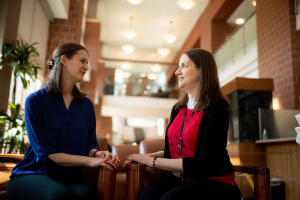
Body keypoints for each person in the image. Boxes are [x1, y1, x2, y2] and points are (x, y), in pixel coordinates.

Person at [6, 43, 120, 200]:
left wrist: (98, 154)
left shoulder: (86, 105)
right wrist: (89, 161)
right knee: (59, 195)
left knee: (89, 195)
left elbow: (90, 145)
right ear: (64, 60)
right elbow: (46, 153)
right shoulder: (35, 101)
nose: (86, 67)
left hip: (68, 177)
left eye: (87, 62)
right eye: (82, 61)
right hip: (33, 173)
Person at [124, 48, 241, 200]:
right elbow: (172, 152)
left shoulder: (217, 107)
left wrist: (151, 161)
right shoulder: (178, 108)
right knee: (146, 196)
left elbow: (203, 163)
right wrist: (144, 157)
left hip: (213, 180)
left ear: (202, 70)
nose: (177, 72)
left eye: (184, 66)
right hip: (183, 178)